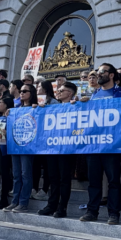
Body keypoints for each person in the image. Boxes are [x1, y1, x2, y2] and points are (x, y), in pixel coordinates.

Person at [79, 64, 121, 225]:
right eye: (97, 72)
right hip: (94, 144)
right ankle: (92, 211)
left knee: (114, 180)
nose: (98, 74)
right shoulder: (93, 95)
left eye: (102, 72)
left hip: (112, 144)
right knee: (94, 180)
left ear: (110, 75)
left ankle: (114, 213)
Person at [37, 82, 78, 218]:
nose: (58, 92)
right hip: (52, 146)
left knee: (64, 179)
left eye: (62, 90)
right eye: (58, 90)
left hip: (67, 147)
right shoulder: (52, 107)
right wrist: (38, 109)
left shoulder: (76, 107)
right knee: (53, 177)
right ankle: (51, 204)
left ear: (70, 93)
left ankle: (62, 207)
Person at [5, 84, 37, 213]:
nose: (22, 93)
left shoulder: (35, 107)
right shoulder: (16, 109)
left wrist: (37, 108)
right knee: (17, 175)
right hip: (15, 144)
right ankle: (15, 201)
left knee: (25, 174)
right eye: (21, 91)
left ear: (31, 93)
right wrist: (8, 113)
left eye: (25, 91)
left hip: (28, 146)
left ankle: (23, 202)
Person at [31, 80, 59, 201]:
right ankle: (33, 188)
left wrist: (45, 109)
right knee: (36, 164)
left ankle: (44, 189)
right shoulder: (36, 102)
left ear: (45, 89)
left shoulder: (54, 102)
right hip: (38, 139)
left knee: (48, 166)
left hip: (49, 139)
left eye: (39, 87)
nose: (37, 89)